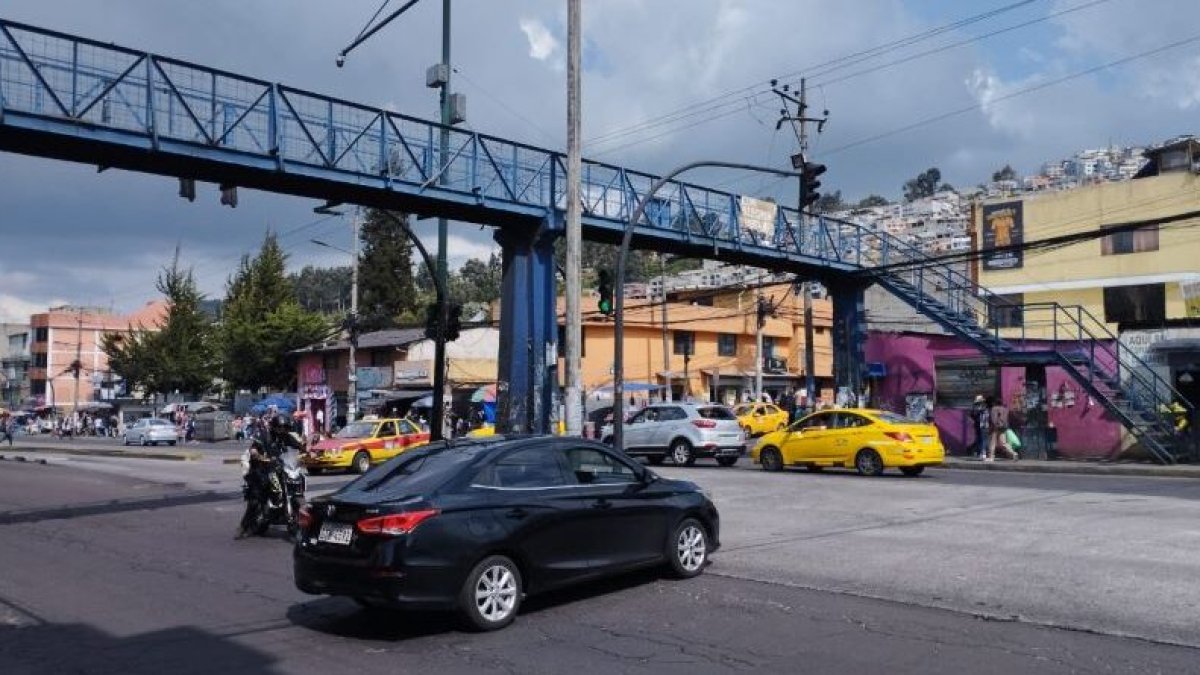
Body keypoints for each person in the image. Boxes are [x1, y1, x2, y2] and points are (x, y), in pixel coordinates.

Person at [237, 414, 304, 539]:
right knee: (255, 501)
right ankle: (243, 526)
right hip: (261, 470)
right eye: (279, 427)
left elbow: (299, 446)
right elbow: (254, 449)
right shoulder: (264, 435)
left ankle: (285, 513)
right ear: (274, 427)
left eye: (284, 428)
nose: (282, 430)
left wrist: (308, 451)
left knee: (290, 485)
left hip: (278, 468)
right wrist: (259, 456)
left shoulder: (286, 437)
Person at [987, 396, 1018, 462]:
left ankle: (991, 457)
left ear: (995, 403)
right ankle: (1013, 453)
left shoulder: (994, 408)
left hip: (996, 427)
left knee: (992, 442)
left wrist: (992, 427)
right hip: (1004, 427)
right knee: (1003, 443)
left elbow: (993, 419)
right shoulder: (1005, 409)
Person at [971, 394, 990, 460]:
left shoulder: (975, 407)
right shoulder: (985, 407)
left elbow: (972, 415)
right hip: (984, 425)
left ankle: (979, 453)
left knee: (979, 439)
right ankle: (983, 453)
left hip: (977, 425)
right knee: (983, 439)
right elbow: (988, 417)